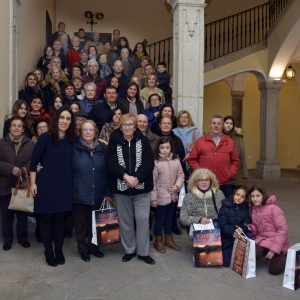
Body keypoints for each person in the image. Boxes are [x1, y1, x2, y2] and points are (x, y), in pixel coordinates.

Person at [106, 114, 155, 265]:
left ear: (135, 127)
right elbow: (110, 162)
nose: (128, 127)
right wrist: (125, 177)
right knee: (126, 221)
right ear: (120, 127)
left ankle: (143, 252)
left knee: (143, 219)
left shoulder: (143, 140)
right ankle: (129, 250)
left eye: (130, 125)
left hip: (142, 189)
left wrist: (137, 178)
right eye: (124, 125)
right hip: (121, 188)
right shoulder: (113, 142)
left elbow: (149, 162)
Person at [30, 107, 76, 267]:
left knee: (59, 221)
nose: (64, 121)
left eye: (68, 118)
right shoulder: (45, 138)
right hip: (45, 184)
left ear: (71, 122)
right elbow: (34, 163)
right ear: (56, 119)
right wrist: (33, 183)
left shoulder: (72, 140)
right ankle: (48, 251)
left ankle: (59, 249)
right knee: (46, 219)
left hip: (64, 186)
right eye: (62, 117)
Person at [72, 120, 109, 262]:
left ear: (95, 132)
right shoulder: (74, 148)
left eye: (91, 130)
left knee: (95, 223)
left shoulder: (103, 149)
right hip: (79, 193)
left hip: (98, 193)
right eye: (85, 130)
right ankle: (82, 249)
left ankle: (94, 247)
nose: (88, 132)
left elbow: (108, 172)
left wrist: (107, 192)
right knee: (81, 225)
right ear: (81, 132)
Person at [0, 117, 34, 251]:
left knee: (22, 214)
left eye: (19, 126)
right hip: (4, 185)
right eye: (14, 125)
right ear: (9, 128)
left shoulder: (30, 143)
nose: (16, 128)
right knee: (6, 216)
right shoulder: (1, 143)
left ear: (23, 129)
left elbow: (34, 160)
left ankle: (23, 238)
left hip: (22, 185)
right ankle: (7, 240)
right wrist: (10, 169)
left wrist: (23, 169)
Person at [187, 114, 240, 198]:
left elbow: (235, 161)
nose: (216, 125)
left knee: (223, 209)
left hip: (224, 184)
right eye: (214, 123)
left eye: (219, 124)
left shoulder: (230, 141)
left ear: (222, 126)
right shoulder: (200, 141)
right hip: (204, 183)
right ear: (209, 125)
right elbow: (191, 159)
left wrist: (229, 174)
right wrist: (200, 172)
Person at [245, 185, 289, 275]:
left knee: (274, 270)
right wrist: (250, 228)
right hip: (263, 240)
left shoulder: (274, 209)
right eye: (252, 196)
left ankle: (284, 255)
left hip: (277, 242)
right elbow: (256, 228)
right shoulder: (253, 209)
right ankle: (265, 252)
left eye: (258, 196)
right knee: (250, 256)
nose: (255, 199)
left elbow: (283, 230)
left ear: (263, 196)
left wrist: (273, 250)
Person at [151, 136, 185, 253]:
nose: (165, 150)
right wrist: (153, 199)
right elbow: (153, 182)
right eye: (162, 148)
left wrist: (177, 186)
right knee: (159, 220)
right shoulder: (156, 163)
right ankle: (158, 241)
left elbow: (181, 175)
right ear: (158, 148)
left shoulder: (176, 161)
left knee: (169, 219)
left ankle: (169, 239)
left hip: (173, 196)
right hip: (160, 197)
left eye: (167, 147)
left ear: (171, 148)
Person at [218, 185, 251, 267]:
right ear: (233, 194)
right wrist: (232, 232)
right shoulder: (225, 207)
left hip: (240, 236)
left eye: (242, 197)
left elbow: (247, 221)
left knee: (241, 260)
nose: (239, 198)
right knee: (226, 262)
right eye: (237, 194)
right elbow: (223, 225)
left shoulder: (245, 208)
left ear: (245, 199)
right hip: (227, 237)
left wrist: (243, 228)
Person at [223, 116, 248, 187]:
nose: (229, 125)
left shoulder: (238, 137)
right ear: (223, 124)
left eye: (231, 123)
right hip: (222, 170)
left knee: (234, 192)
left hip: (235, 171)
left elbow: (242, 153)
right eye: (227, 123)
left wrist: (244, 172)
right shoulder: (218, 135)